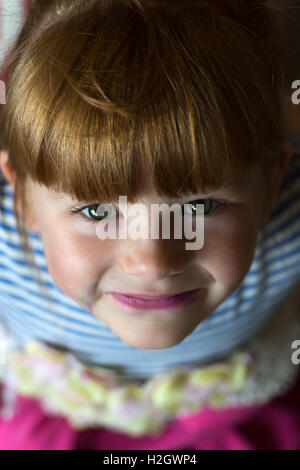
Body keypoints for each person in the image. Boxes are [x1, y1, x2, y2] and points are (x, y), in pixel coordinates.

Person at [0, 0, 299, 450]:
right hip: (51, 416)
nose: (153, 263)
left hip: (232, 414)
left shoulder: (292, 221)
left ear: (271, 184)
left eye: (199, 206)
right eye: (97, 212)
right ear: (23, 198)